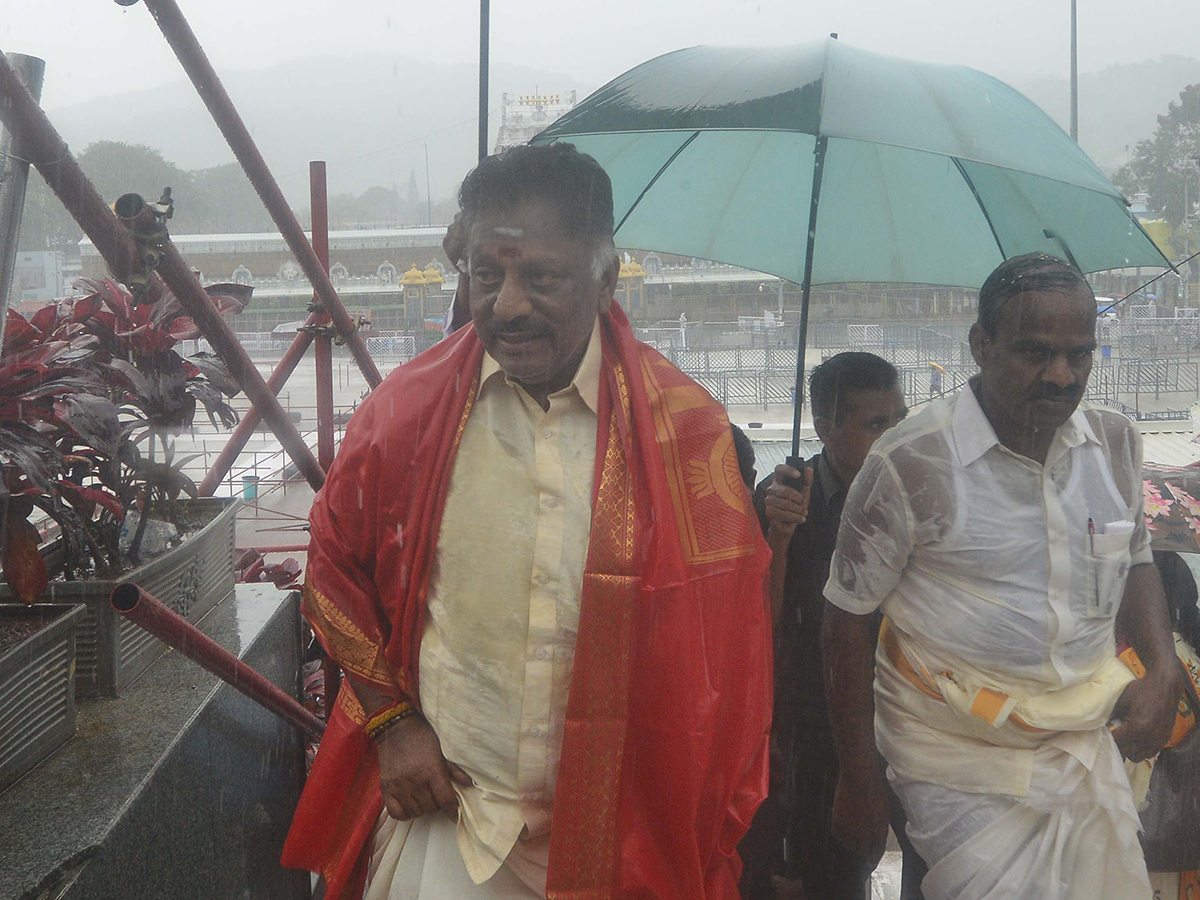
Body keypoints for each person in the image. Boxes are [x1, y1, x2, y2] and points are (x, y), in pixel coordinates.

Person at [281, 143, 772, 900]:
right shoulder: (403, 417)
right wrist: (392, 725)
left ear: (606, 275)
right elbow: (331, 568)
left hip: (625, 834)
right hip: (453, 822)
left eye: (540, 278)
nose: (507, 305)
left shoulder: (687, 434)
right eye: (487, 275)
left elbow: (728, 652)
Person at [823, 253, 1185, 900]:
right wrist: (856, 777)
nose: (1061, 375)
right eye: (1035, 352)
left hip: (1083, 743)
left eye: (1080, 354)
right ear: (980, 345)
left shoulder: (1116, 445)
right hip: (954, 756)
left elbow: (1135, 561)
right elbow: (844, 624)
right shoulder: (908, 465)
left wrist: (1163, 667)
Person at [738, 352, 915, 900]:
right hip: (811, 734)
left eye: (900, 421)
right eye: (875, 425)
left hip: (907, 720)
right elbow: (754, 629)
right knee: (820, 873)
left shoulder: (915, 495)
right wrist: (778, 539)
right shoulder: (787, 497)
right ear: (824, 428)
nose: (893, 438)